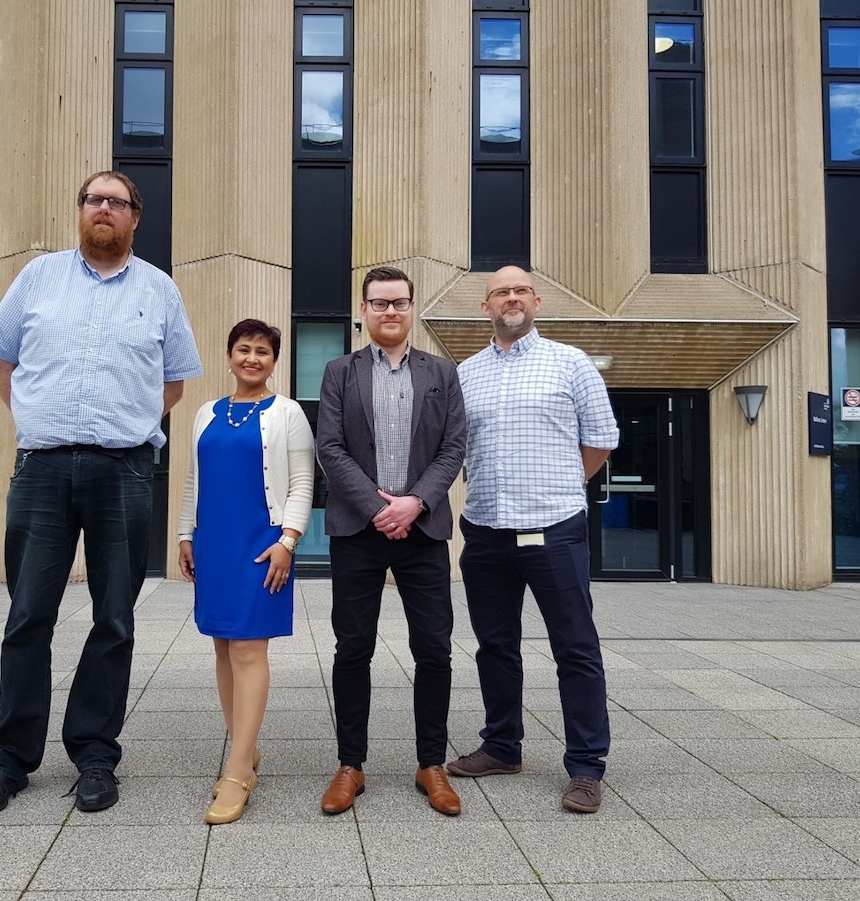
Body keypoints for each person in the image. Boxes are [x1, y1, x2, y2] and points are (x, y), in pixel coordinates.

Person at [0, 170, 203, 817]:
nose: (104, 208)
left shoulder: (160, 290)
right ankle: (9, 759)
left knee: (115, 617)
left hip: (123, 472)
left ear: (134, 217)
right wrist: (36, 419)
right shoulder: (39, 278)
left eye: (116, 202)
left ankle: (95, 753)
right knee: (27, 616)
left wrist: (131, 425)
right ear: (80, 211)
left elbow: (175, 382)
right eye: (95, 199)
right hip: (41, 469)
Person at [448, 265, 619, 813]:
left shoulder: (571, 363)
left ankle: (586, 766)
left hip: (555, 530)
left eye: (521, 290)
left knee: (575, 647)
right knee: (495, 646)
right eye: (501, 292)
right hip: (486, 529)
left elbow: (599, 441)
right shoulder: (465, 373)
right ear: (486, 307)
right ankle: (502, 746)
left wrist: (562, 485)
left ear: (537, 302)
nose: (512, 299)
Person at [315, 266, 467, 817]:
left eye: (399, 302)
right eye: (379, 304)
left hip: (422, 529)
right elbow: (329, 447)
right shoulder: (339, 371)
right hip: (359, 530)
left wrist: (415, 502)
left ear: (412, 306)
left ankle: (432, 763)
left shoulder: (442, 373)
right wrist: (380, 507)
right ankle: (350, 765)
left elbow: (454, 448)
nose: (390, 312)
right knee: (353, 648)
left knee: (434, 649)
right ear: (364, 310)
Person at [177, 319, 314, 825]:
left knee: (250, 648)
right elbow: (194, 480)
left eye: (262, 352)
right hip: (214, 543)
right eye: (243, 349)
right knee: (222, 644)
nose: (252, 358)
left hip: (263, 545)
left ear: (274, 361)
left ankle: (238, 771)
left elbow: (302, 483)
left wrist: (289, 542)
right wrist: (185, 535)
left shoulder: (288, 413)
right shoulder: (206, 412)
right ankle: (244, 745)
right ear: (229, 355)